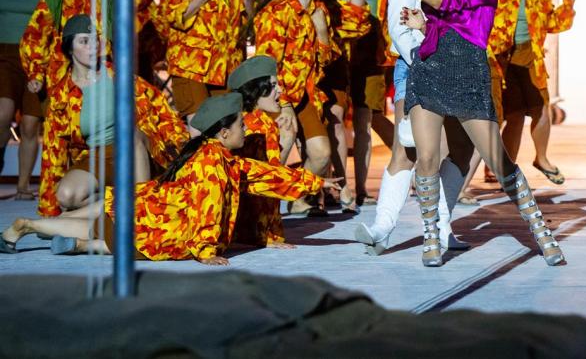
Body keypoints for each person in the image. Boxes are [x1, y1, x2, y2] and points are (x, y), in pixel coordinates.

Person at [386, 0, 565, 267]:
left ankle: (541, 233)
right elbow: (441, 21)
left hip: (468, 77)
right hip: (429, 73)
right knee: (427, 157)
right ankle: (432, 238)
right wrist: (423, 25)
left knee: (499, 162)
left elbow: (447, 1)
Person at [0, 93, 336, 262]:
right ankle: (28, 227)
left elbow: (264, 175)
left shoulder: (216, 154)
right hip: (150, 227)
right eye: (240, 126)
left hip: (145, 208)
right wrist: (205, 251)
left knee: (95, 225)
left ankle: (46, 232)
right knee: (98, 232)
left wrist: (315, 182)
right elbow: (208, 209)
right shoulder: (212, 163)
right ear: (223, 132)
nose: (245, 131)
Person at [354, 0, 473, 255]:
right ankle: (383, 227)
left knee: (461, 150)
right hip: (417, 69)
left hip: (454, 71)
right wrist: (428, 62)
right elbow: (400, 32)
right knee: (408, 149)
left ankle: (441, 227)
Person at [37, 15, 188, 215]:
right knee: (66, 196)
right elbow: (53, 151)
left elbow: (163, 112)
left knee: (130, 134)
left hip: (137, 148)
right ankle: (122, 199)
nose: (93, 46)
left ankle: (142, 208)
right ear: (69, 48)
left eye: (95, 40)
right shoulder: (61, 96)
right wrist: (48, 210)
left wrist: (181, 152)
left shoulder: (120, 77)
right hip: (98, 155)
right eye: (84, 41)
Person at [251, 0, 334, 216]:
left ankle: (298, 199)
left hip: (305, 94)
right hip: (274, 95)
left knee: (321, 154)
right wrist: (283, 104)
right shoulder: (276, 12)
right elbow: (266, 67)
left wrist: (322, 33)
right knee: (285, 134)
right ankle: (259, 211)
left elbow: (324, 63)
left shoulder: (317, 9)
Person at [489, 0, 576, 184]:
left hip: (529, 57)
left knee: (541, 107)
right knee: (508, 115)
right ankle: (499, 166)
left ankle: (541, 158)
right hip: (498, 58)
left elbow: (553, 23)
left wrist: (569, 1)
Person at [337, 0, 395, 204]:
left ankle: (361, 189)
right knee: (335, 118)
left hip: (373, 48)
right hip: (340, 48)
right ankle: (338, 187)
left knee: (365, 119)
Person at [311, 0, 369, 210]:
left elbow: (360, 26)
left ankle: (342, 186)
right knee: (311, 126)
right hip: (307, 63)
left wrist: (330, 15)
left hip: (336, 61)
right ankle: (316, 192)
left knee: (335, 120)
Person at [227, 56, 293, 248]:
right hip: (239, 229)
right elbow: (267, 182)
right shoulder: (260, 124)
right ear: (256, 90)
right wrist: (267, 237)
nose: (280, 90)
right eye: (272, 86)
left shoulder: (240, 119)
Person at [0, 0, 46, 199]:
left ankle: (23, 186)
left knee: (30, 123)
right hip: (4, 55)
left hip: (36, 57)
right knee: (3, 114)